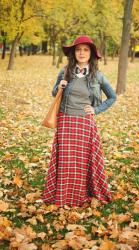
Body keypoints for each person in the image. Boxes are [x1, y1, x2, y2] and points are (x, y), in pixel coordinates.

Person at [42, 35, 117, 207]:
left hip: (84, 123)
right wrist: (59, 86)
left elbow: (112, 97)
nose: (81, 53)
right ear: (73, 53)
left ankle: (81, 193)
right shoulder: (65, 71)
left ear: (91, 53)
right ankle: (62, 195)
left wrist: (96, 109)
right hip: (66, 120)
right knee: (66, 160)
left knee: (82, 161)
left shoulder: (97, 76)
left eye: (85, 50)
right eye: (78, 49)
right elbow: (55, 93)